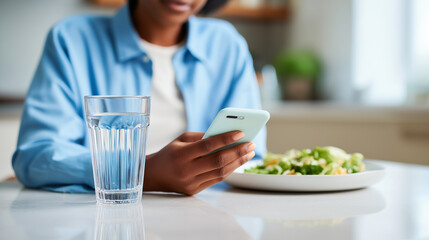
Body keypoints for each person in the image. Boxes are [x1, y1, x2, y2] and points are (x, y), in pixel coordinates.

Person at [12, 0, 266, 195]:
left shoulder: (227, 43)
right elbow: (36, 155)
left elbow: (253, 157)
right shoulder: (72, 38)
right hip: (104, 216)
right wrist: (142, 171)